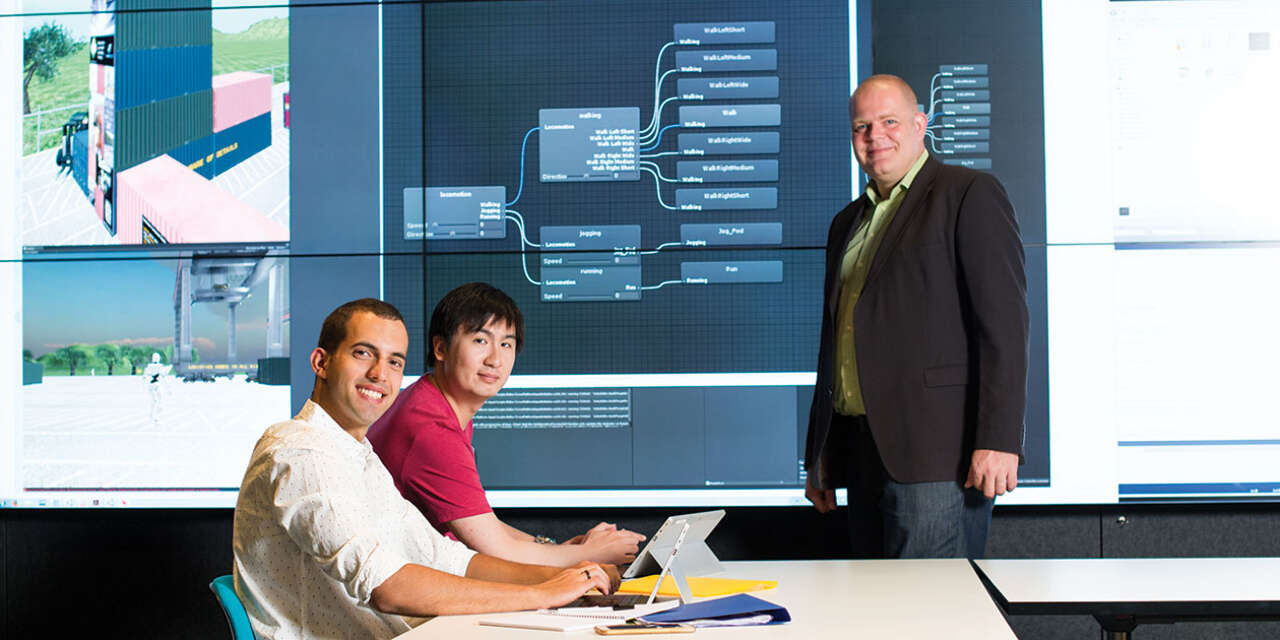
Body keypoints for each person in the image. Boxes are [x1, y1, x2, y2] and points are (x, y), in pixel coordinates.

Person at [233, 298, 618, 639]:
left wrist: (573, 578)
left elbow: (447, 559)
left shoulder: (357, 454)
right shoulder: (302, 452)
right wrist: (542, 594)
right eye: (364, 354)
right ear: (322, 362)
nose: (380, 374)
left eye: (394, 361)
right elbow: (387, 586)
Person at [803, 75, 1029, 559]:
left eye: (889, 122)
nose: (874, 136)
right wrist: (820, 457)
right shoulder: (848, 222)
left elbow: (1004, 328)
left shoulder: (968, 194)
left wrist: (999, 439)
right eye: (862, 126)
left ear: (920, 124)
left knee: (933, 614)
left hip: (939, 457)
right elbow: (836, 343)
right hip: (861, 453)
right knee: (879, 618)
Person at [369, 283, 646, 566]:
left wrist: (554, 548)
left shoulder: (431, 400)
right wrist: (589, 555)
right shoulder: (432, 429)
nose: (495, 359)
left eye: (506, 344)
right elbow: (497, 551)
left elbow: (478, 522)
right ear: (440, 348)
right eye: (480, 341)